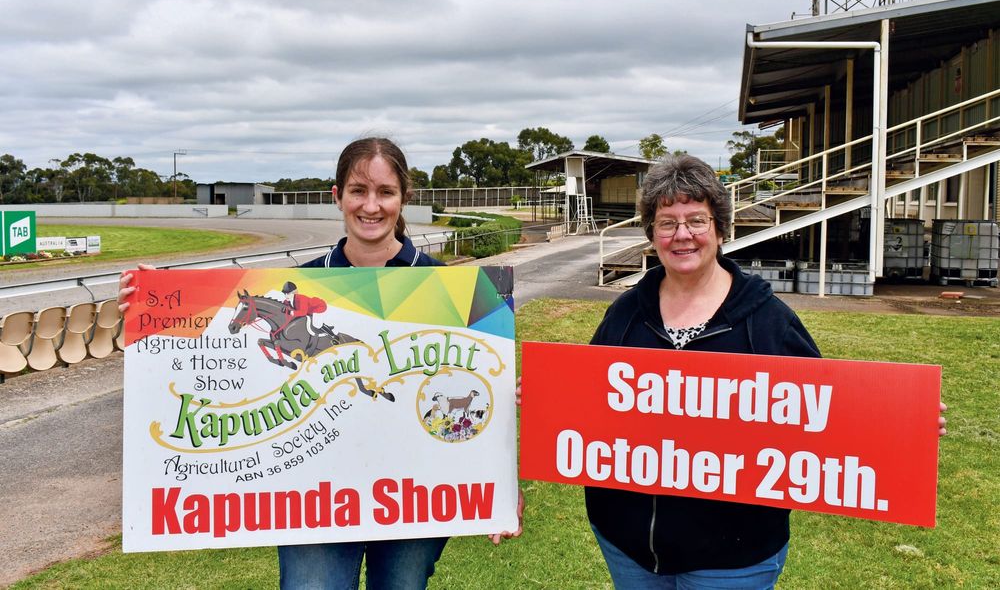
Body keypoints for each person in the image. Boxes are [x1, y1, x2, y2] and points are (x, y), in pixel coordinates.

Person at [120, 137, 522, 590]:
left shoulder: (461, 291)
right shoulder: (302, 281)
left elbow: (480, 387)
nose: (371, 206)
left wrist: (500, 477)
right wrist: (148, 307)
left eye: (385, 192)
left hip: (415, 490)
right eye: (358, 191)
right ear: (337, 197)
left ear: (404, 198)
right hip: (317, 493)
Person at [562, 153, 946, 589]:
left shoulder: (769, 321)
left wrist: (902, 421)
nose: (682, 235)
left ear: (720, 229)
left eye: (696, 220)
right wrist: (546, 398)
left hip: (733, 557)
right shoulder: (625, 314)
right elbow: (588, 401)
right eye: (667, 222)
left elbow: (826, 415)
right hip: (628, 546)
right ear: (652, 233)